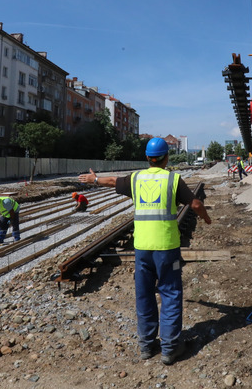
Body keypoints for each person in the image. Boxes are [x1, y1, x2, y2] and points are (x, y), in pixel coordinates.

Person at [78, 137, 212, 365]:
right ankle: (170, 348)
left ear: (148, 159)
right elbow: (196, 205)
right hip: (166, 248)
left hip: (141, 248)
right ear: (166, 158)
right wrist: (207, 219)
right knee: (170, 293)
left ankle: (147, 346)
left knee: (145, 295)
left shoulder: (136, 179)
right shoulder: (172, 179)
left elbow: (112, 181)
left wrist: (94, 179)